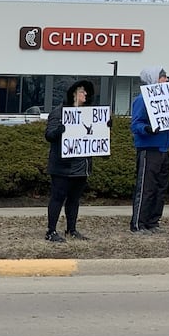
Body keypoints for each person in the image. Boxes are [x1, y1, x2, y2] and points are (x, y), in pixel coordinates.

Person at [42, 80, 95, 242]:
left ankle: (71, 229)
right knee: (58, 198)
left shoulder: (88, 114)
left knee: (74, 199)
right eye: (81, 92)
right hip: (62, 166)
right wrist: (59, 130)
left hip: (80, 166)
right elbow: (49, 135)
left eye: (86, 92)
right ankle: (51, 231)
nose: (85, 94)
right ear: (73, 94)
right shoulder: (59, 113)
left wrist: (105, 127)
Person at [130, 66, 169, 233]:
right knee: (146, 187)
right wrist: (147, 129)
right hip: (149, 148)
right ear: (154, 79)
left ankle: (153, 222)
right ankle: (138, 223)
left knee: (160, 188)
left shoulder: (167, 99)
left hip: (164, 147)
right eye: (163, 77)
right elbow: (136, 124)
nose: (166, 80)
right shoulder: (142, 99)